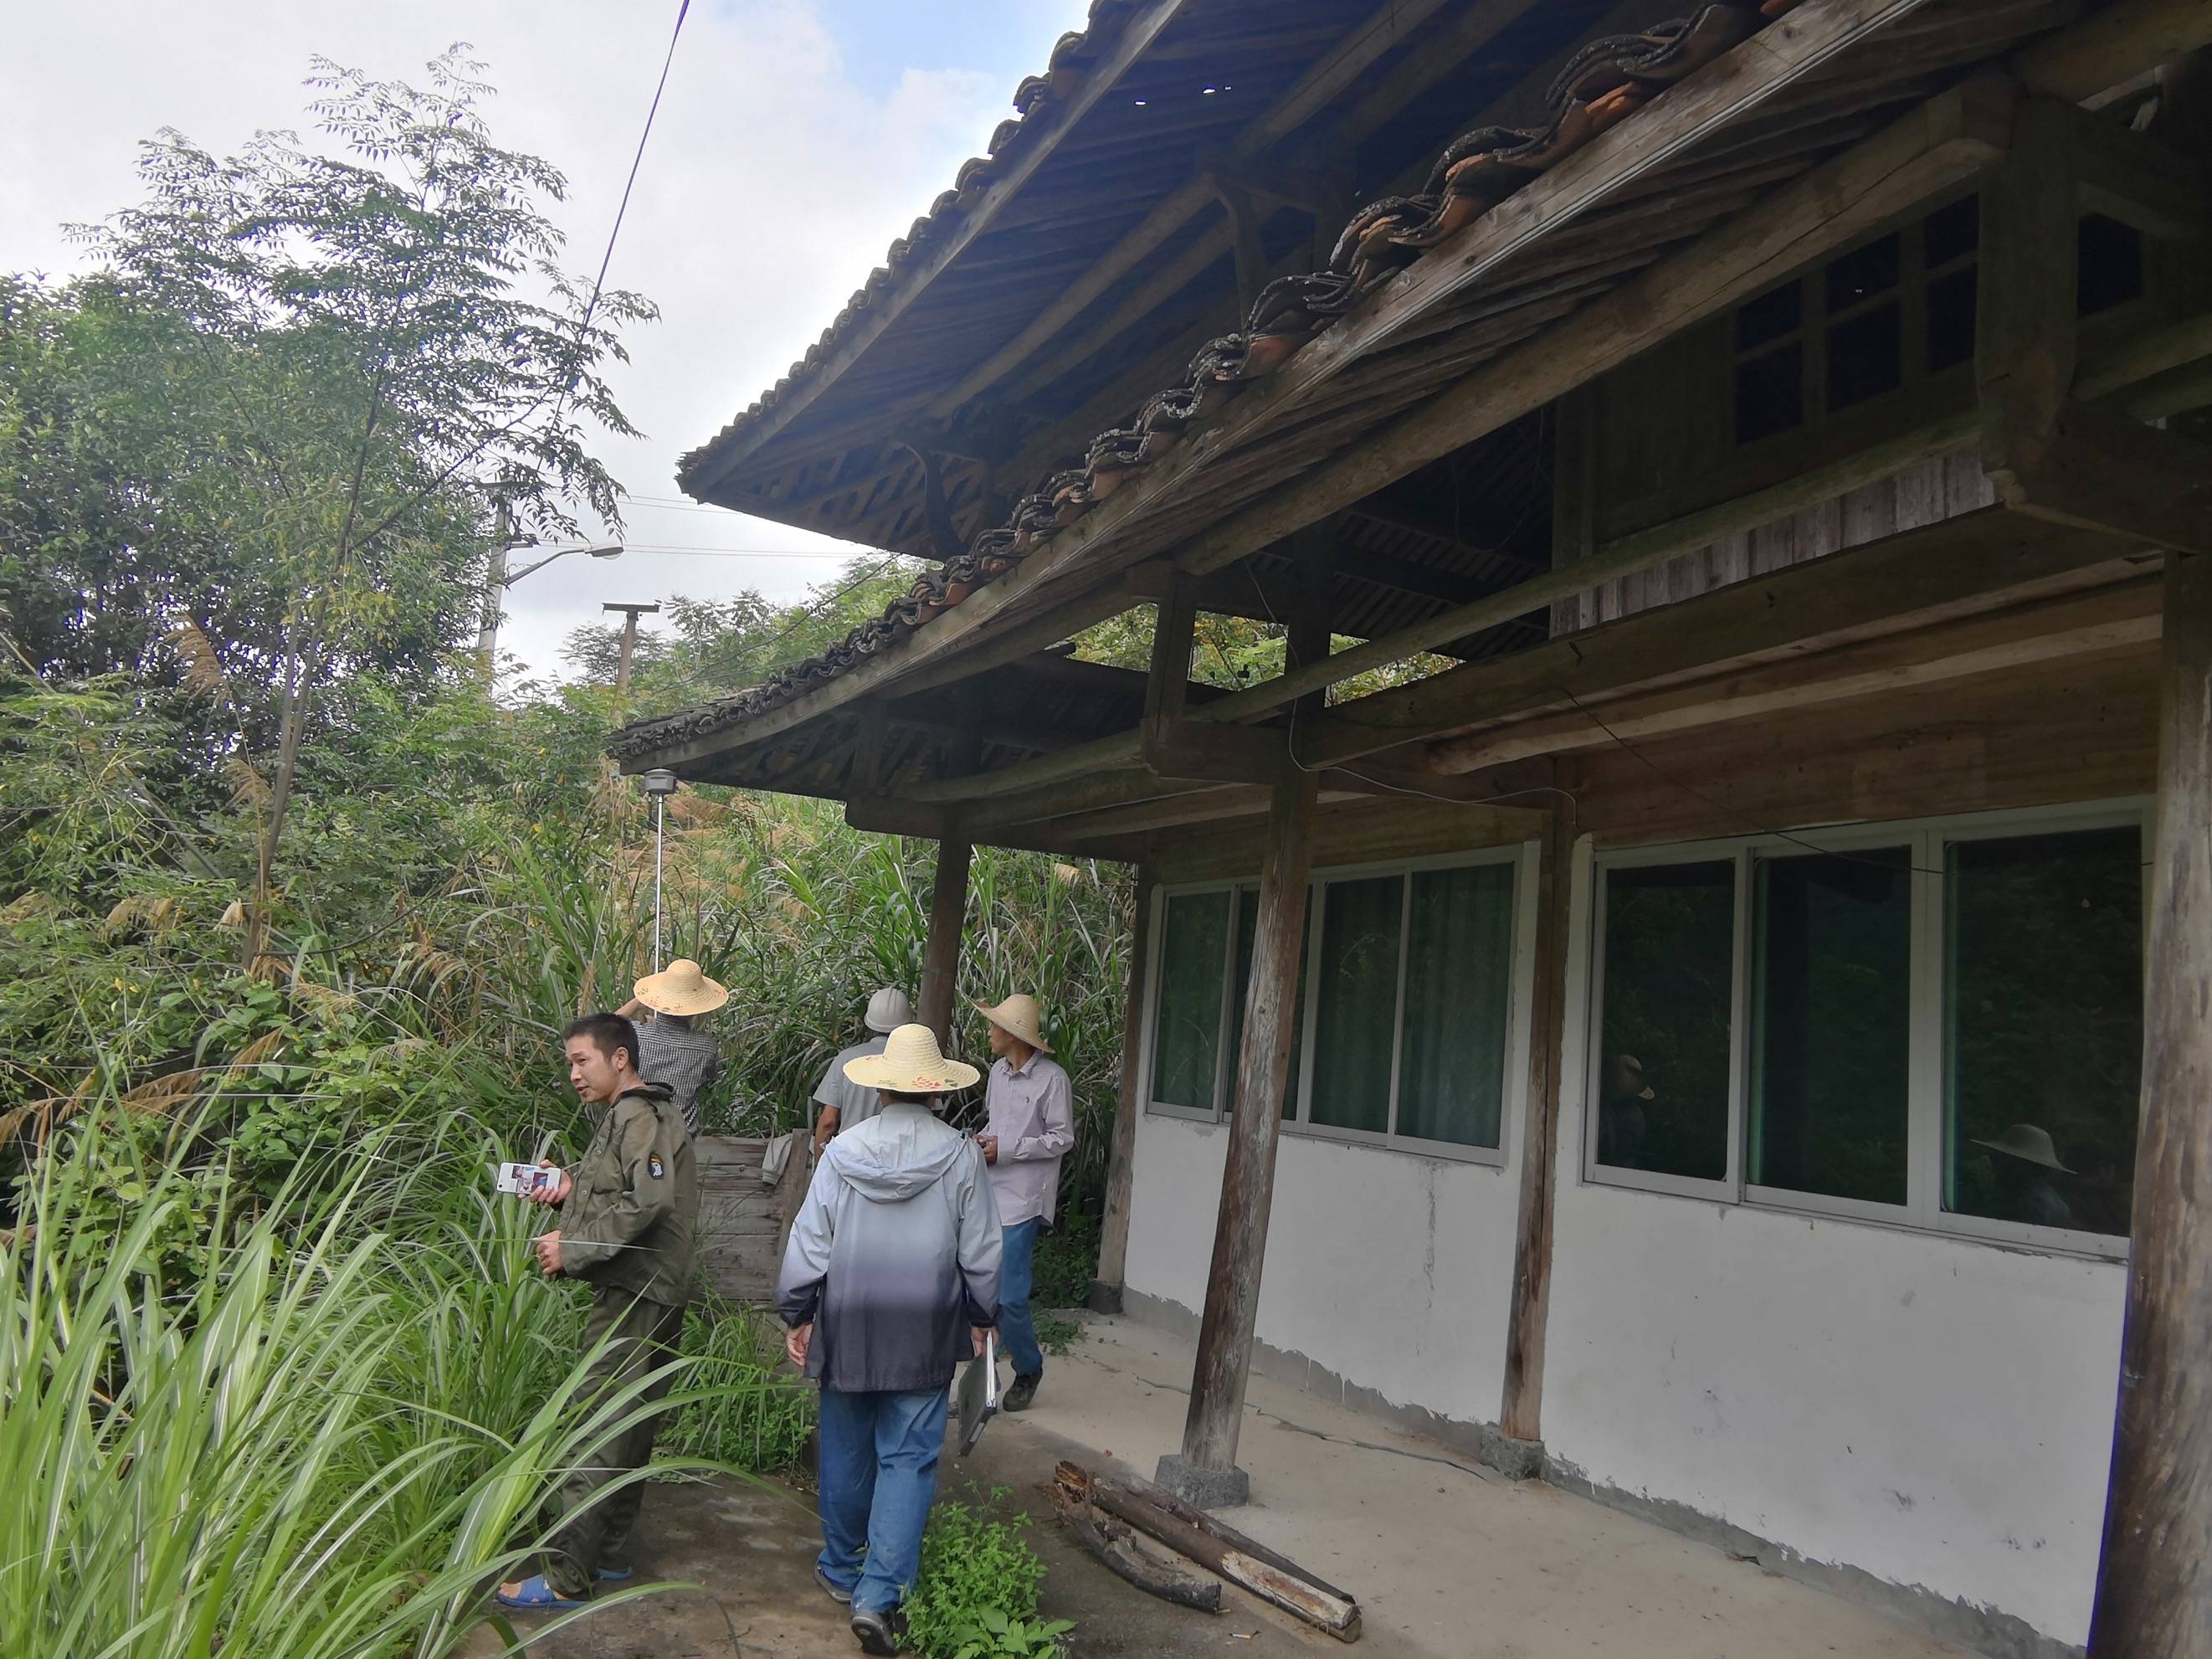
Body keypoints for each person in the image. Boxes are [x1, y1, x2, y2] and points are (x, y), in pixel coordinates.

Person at [778, 1023, 1001, 1656]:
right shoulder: (959, 1156)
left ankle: (842, 1570)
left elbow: (809, 1242)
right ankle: (880, 1597)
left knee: (845, 1448)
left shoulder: (842, 1153)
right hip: (925, 1325)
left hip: (848, 1321)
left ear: (878, 1089)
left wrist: (798, 1311)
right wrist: (982, 1312)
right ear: (935, 1094)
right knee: (907, 1458)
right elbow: (981, 1248)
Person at [496, 1012, 699, 1611]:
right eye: (569, 1064)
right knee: (627, 1424)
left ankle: (567, 1575)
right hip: (649, 1287)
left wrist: (573, 1245)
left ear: (619, 1059)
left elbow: (650, 1199)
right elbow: (618, 1183)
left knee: (593, 1429)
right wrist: (567, 1184)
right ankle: (608, 1553)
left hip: (636, 1293)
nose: (573, 1074)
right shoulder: (636, 1114)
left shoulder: (639, 1114)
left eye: (581, 1061)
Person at [973, 993, 1073, 1415]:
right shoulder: (997, 1072)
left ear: (1014, 1034)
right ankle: (985, 1386)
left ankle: (1029, 1368)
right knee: (981, 1292)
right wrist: (982, 1142)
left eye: (995, 1026)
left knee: (1010, 1297)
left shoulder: (1053, 1080)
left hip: (1024, 1201)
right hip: (990, 1195)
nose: (990, 1032)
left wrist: (1007, 1149)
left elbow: (1062, 1138)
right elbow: (997, 1125)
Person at [617, 958, 727, 1138]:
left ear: (658, 999)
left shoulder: (636, 1034)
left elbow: (602, 1028)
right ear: (696, 1007)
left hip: (636, 1131)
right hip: (680, 1138)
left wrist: (638, 1002)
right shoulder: (707, 1047)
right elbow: (710, 1079)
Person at [810, 986, 916, 1155]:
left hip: (850, 1157)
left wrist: (820, 1166)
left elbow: (828, 1122)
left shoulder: (846, 1059)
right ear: (907, 1023)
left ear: (869, 1022)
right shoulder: (917, 1062)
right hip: (899, 1160)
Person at [1973, 1122, 2075, 1228]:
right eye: (1995, 1157)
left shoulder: (2027, 1203)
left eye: (2000, 1158)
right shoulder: (2052, 1199)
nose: (1994, 1163)